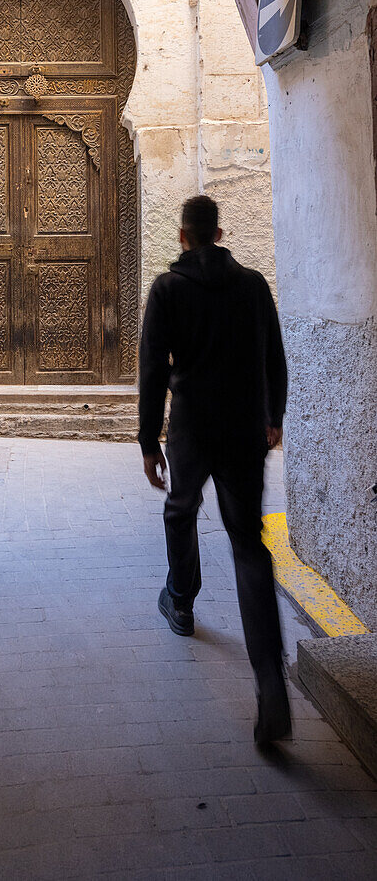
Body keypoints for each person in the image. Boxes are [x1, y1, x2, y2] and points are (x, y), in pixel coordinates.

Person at [138, 195, 290, 745]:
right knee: (249, 542)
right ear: (220, 233)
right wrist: (272, 418)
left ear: (184, 237)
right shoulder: (252, 286)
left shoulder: (167, 289)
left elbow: (153, 369)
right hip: (244, 428)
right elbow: (274, 356)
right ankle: (271, 684)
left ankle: (180, 599)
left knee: (180, 510)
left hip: (193, 428)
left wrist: (147, 440)